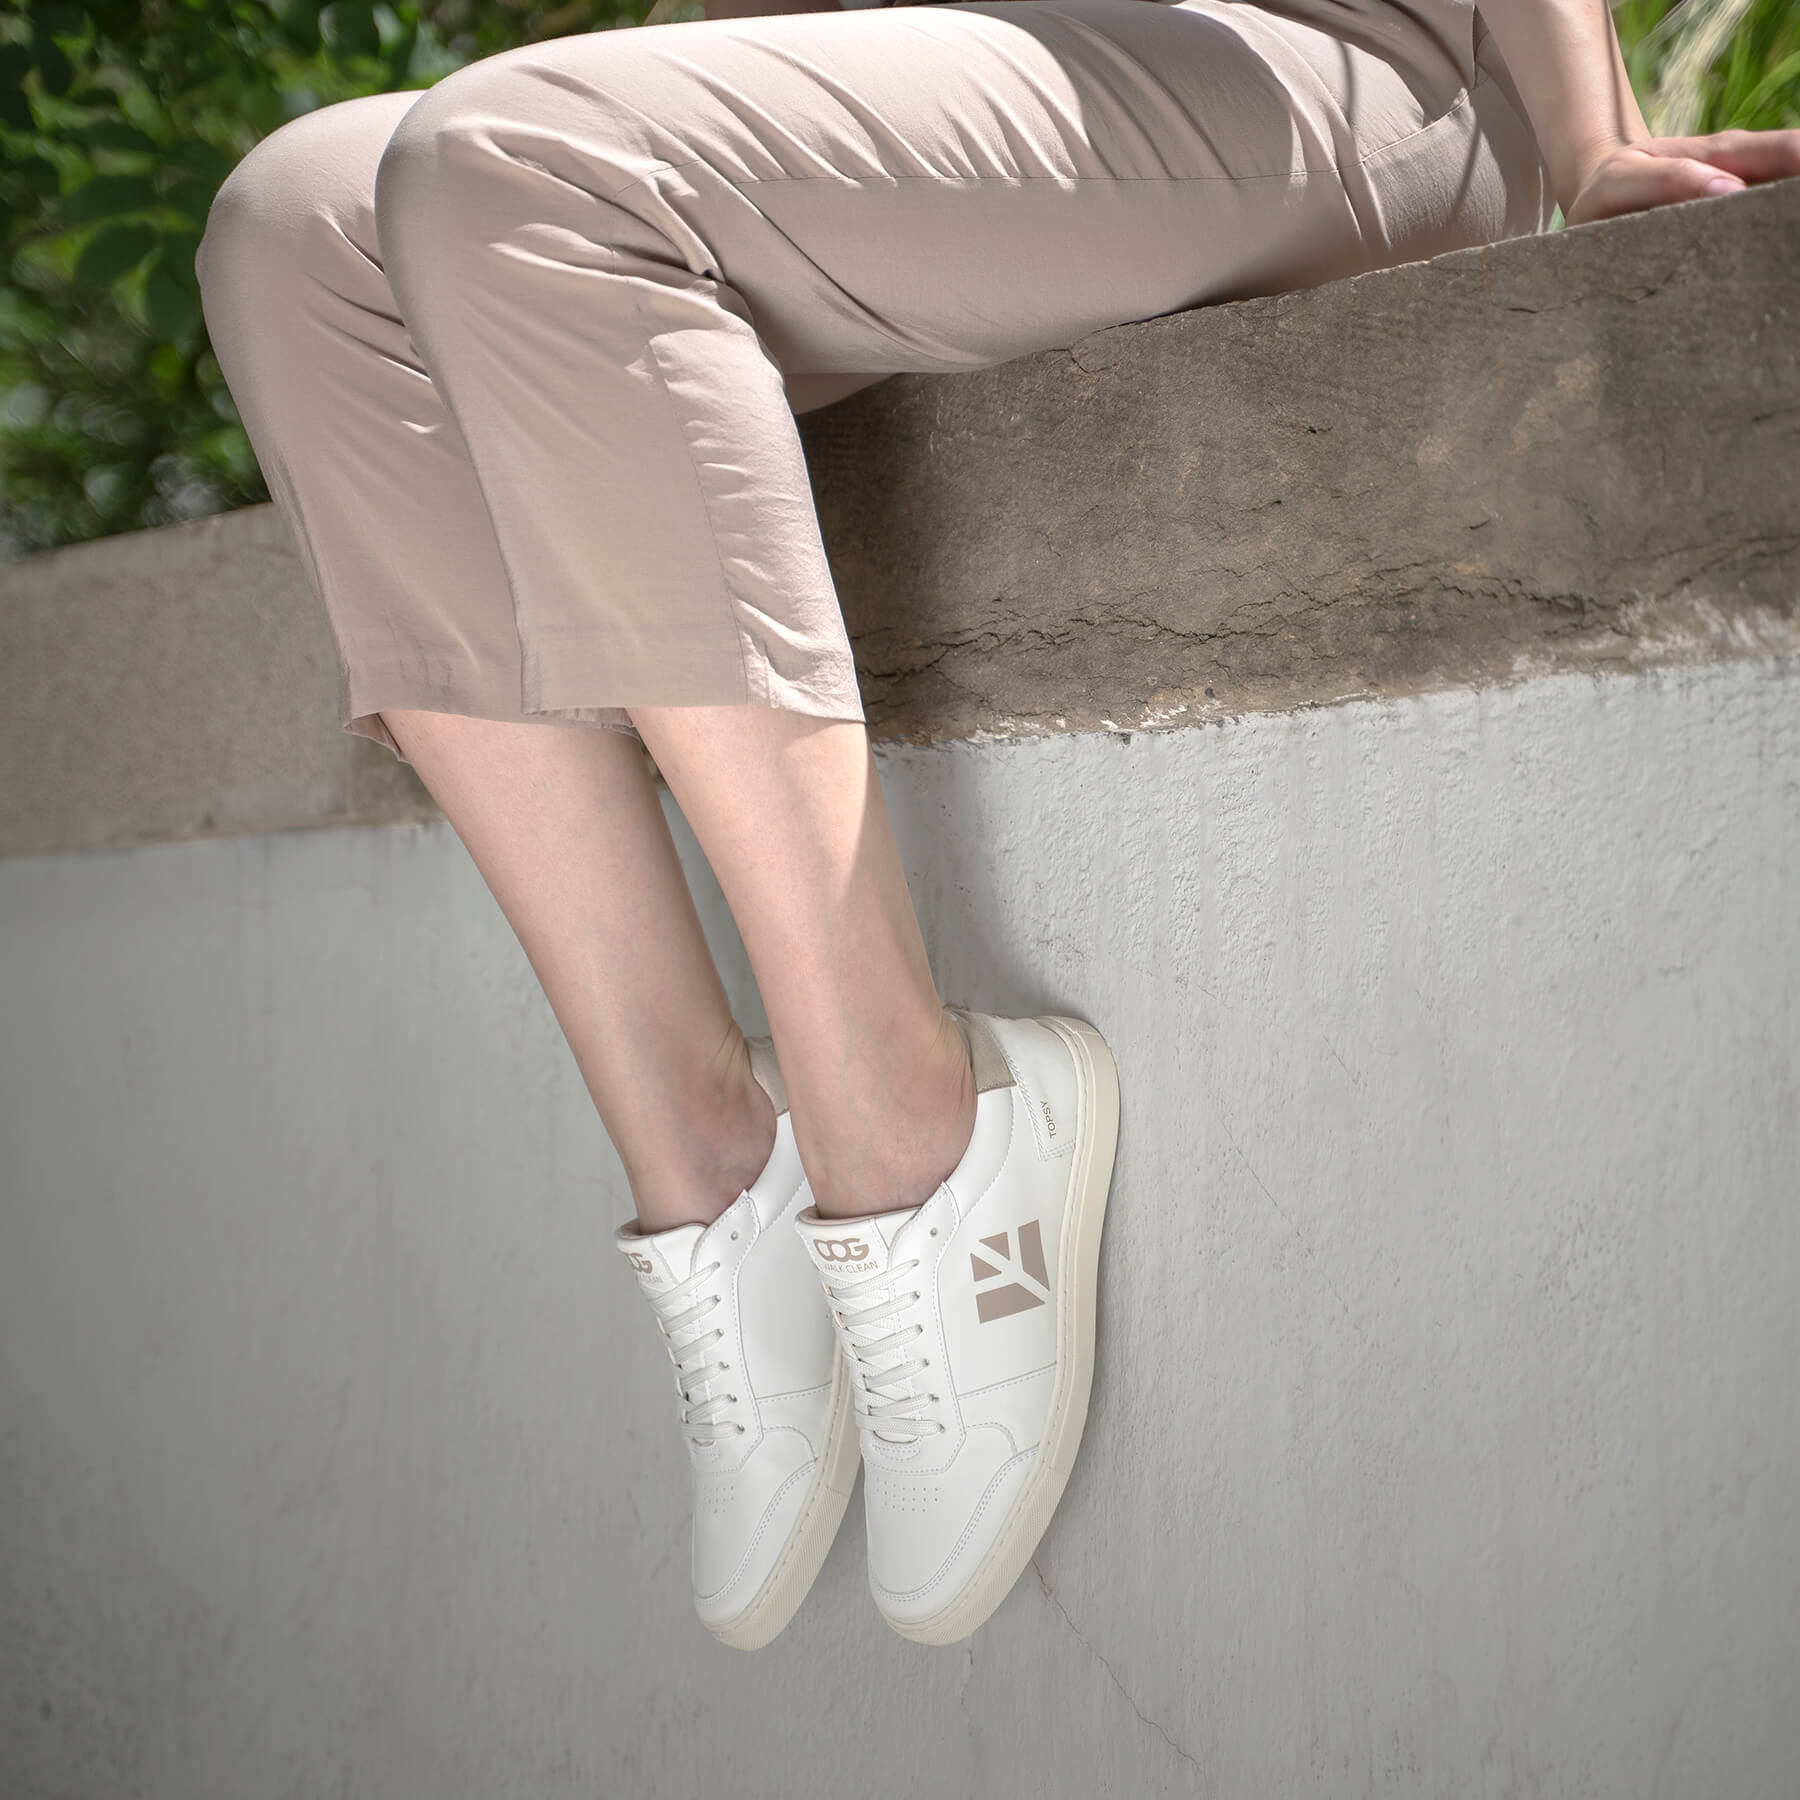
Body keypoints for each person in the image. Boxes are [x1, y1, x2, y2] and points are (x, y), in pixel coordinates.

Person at [193, 0, 1799, 1650]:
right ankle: (705, 1150)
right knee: (295, 225)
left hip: (1337, 68)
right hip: (982, 71)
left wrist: (1589, 132)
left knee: (515, 162)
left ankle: (908, 1115)